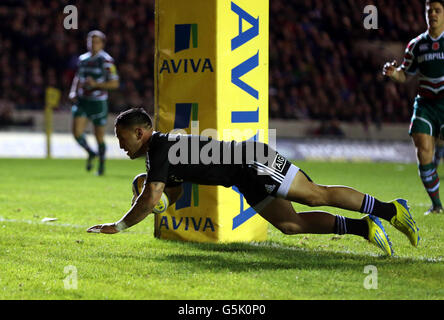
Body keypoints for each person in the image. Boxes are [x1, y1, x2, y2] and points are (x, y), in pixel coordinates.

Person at [87, 108, 420, 257]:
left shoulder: (158, 148)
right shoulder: (159, 153)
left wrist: (118, 225)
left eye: (121, 138)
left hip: (252, 160)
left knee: (315, 196)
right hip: (242, 177)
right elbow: (167, 193)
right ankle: (365, 228)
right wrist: (159, 203)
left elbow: (151, 197)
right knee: (290, 225)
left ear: (140, 133)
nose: (120, 145)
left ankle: (391, 209)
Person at [383, 0, 444, 215]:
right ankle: (436, 205)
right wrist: (393, 73)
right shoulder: (416, 44)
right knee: (423, 152)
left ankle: (441, 149)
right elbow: (404, 74)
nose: (433, 15)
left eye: (437, 11)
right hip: (426, 104)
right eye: (429, 11)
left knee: (439, 144)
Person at [68, 30, 120, 176]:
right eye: (90, 41)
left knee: (99, 136)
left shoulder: (106, 60)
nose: (93, 44)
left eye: (96, 41)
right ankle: (91, 153)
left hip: (98, 102)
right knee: (77, 133)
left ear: (102, 44)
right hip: (82, 100)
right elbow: (78, 77)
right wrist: (73, 91)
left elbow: (115, 83)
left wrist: (96, 84)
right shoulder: (83, 58)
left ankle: (102, 166)